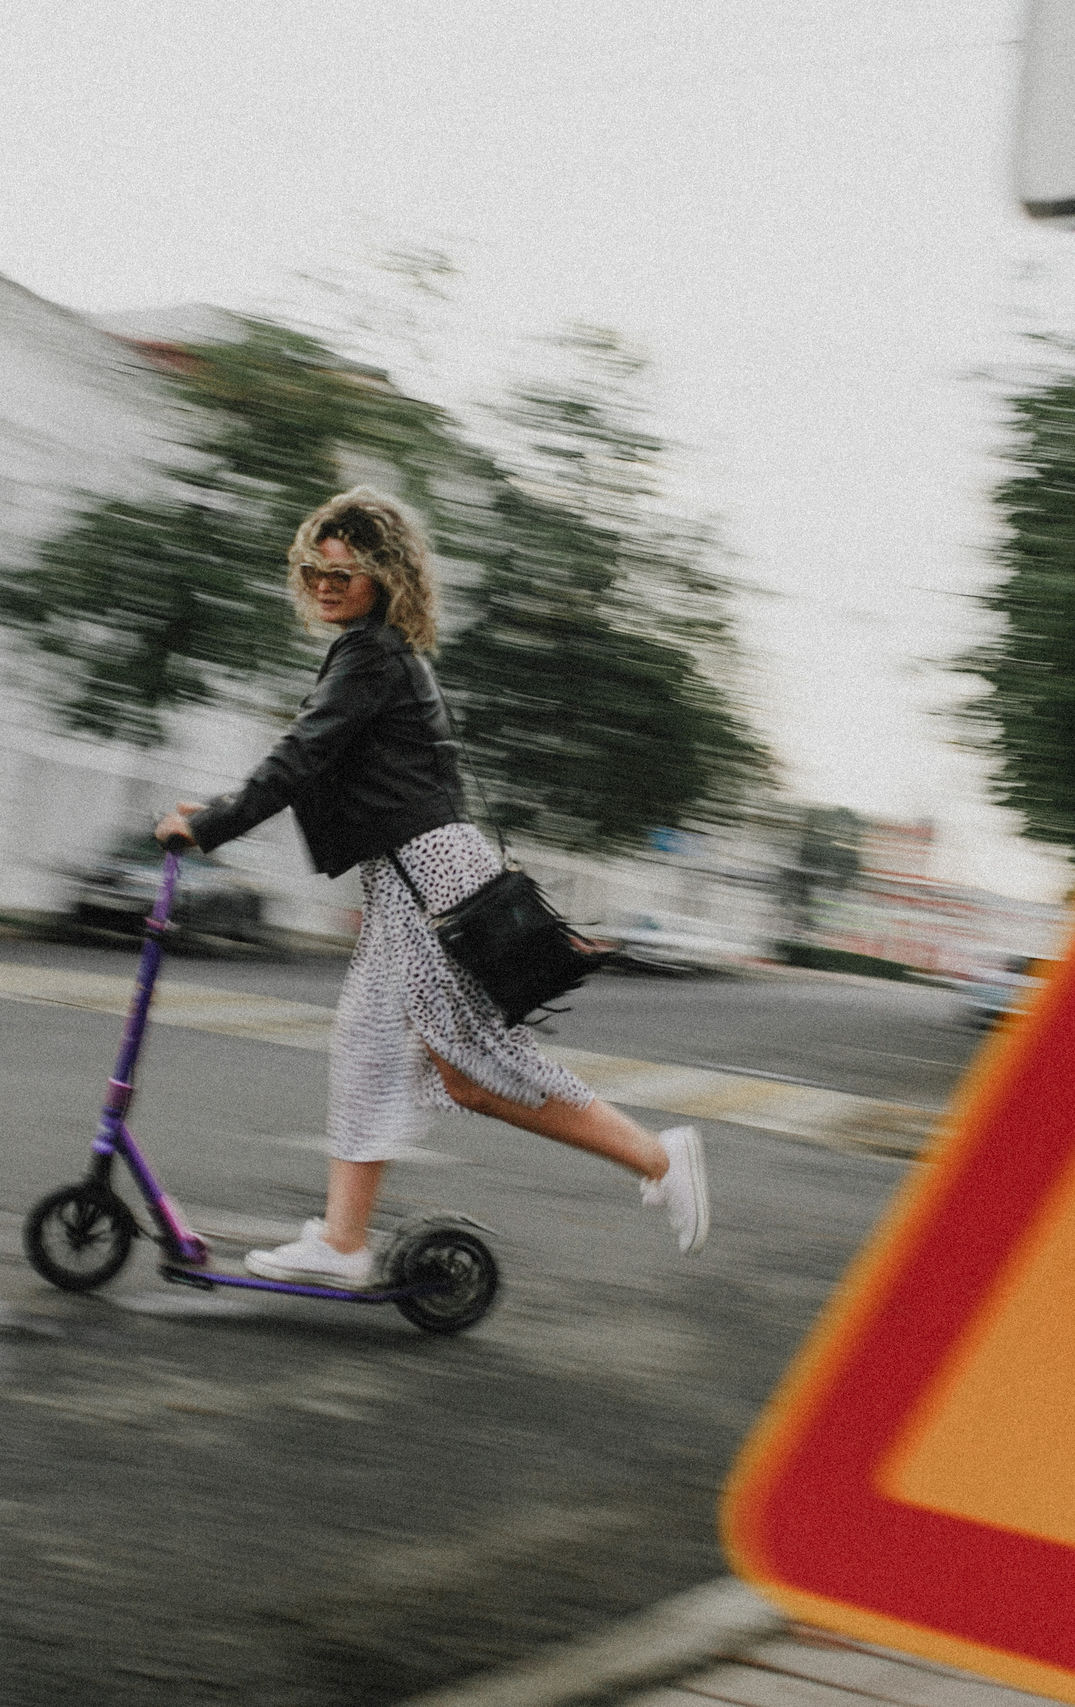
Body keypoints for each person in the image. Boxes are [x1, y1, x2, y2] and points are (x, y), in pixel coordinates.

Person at [153, 487, 710, 1285]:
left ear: (384, 576)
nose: (324, 584)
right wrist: (212, 810)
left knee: (473, 1067)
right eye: (313, 570)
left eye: (343, 572)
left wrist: (209, 827)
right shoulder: (375, 655)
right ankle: (343, 1241)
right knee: (369, 1048)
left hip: (430, 881)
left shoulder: (372, 655)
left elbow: (300, 756)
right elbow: (321, 763)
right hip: (407, 879)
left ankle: (659, 1155)